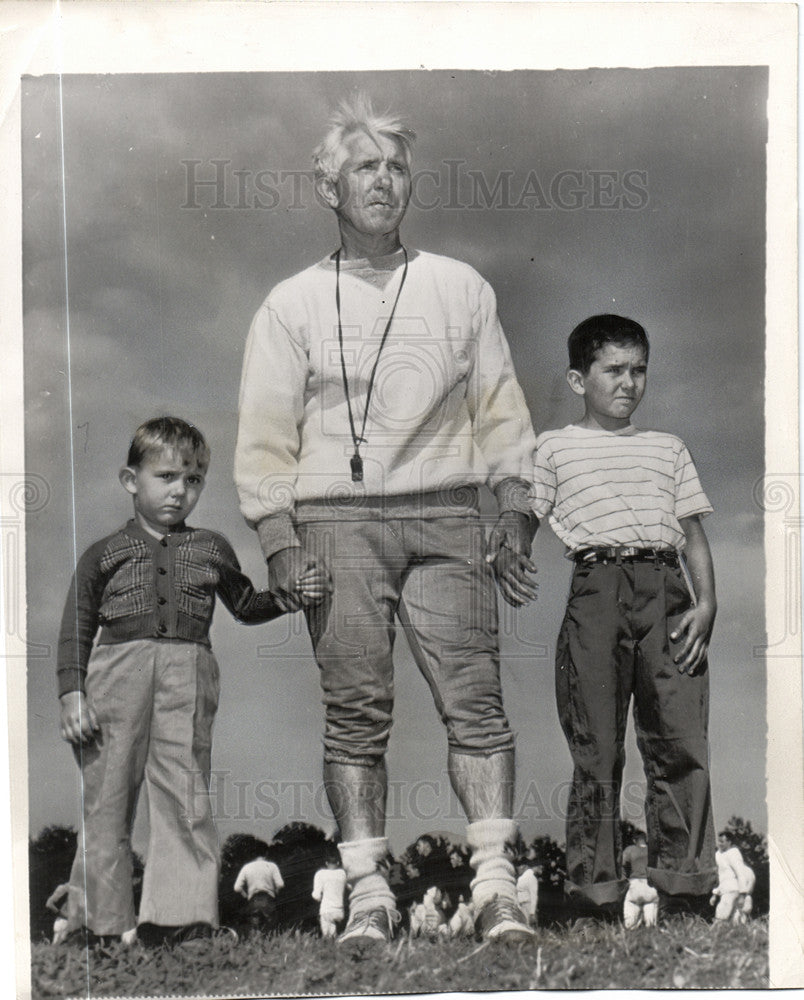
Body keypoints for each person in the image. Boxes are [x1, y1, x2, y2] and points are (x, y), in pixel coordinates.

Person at [234, 94, 538, 945]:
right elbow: (264, 433)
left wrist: (515, 510)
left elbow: (503, 413)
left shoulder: (459, 286)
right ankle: (368, 886)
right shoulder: (291, 303)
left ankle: (495, 886)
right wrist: (277, 538)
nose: (384, 180)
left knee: (476, 702)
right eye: (365, 166)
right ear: (328, 186)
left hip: (448, 514)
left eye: (397, 166)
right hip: (334, 522)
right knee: (355, 711)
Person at [57, 417, 328, 946]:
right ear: (130, 480)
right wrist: (72, 693)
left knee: (185, 794)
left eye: (194, 480)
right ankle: (94, 924)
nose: (180, 491)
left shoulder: (212, 548)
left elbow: (247, 605)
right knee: (106, 797)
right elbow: (77, 625)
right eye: (166, 477)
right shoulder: (103, 554)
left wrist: (289, 596)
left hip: (189, 674)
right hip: (115, 675)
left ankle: (178, 921)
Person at [527, 314, 718, 921]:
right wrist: (506, 550)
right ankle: (596, 895)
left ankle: (686, 887)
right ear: (579, 379)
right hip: (596, 588)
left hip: (667, 592)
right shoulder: (554, 446)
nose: (629, 382)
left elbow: (691, 535)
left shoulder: (668, 448)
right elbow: (524, 518)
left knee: (681, 742)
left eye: (639, 370)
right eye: (614, 370)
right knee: (598, 748)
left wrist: (707, 604)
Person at [711, 830, 755, 923]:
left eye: (722, 842)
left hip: (734, 888)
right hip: (726, 888)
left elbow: (740, 873)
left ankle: (715, 930)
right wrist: (715, 894)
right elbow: (722, 877)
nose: (720, 844)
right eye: (718, 841)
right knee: (735, 917)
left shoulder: (733, 853)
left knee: (722, 911)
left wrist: (743, 893)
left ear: (729, 842)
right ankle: (735, 933)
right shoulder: (718, 855)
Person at [234, 853, 285, 933]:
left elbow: (237, 888)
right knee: (270, 928)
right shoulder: (272, 866)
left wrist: (245, 896)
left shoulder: (247, 867)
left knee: (255, 927)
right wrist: (276, 892)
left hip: (253, 900)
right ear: (265, 855)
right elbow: (280, 884)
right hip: (268, 899)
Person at [622, 832, 659, 929]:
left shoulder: (630, 849)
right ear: (645, 839)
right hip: (650, 885)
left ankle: (631, 925)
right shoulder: (651, 851)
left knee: (630, 903)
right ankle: (649, 924)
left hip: (635, 885)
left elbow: (623, 864)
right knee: (651, 906)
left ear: (634, 840)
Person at [312, 857, 347, 938]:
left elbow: (316, 895)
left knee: (329, 938)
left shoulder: (321, 874)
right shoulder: (342, 873)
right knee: (337, 934)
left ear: (326, 863)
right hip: (340, 911)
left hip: (327, 910)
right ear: (338, 863)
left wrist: (319, 899)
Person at [515, 863, 540, 928]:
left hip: (528, 905)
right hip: (521, 905)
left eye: (520, 866)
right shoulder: (521, 878)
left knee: (529, 926)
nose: (518, 868)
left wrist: (532, 912)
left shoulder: (531, 877)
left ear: (525, 866)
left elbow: (534, 895)